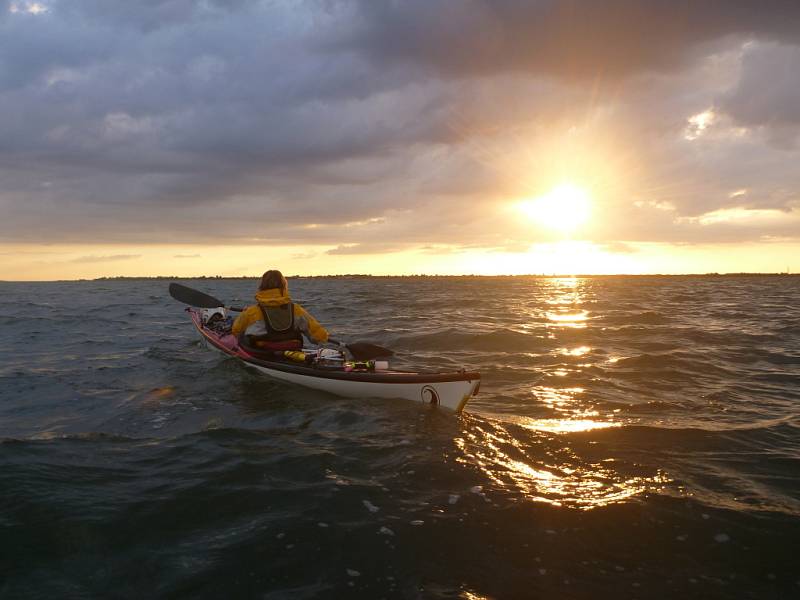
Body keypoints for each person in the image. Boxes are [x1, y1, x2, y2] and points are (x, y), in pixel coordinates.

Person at [231, 270, 329, 350]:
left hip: (262, 351)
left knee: (243, 335)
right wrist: (323, 339)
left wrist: (245, 315)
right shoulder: (296, 310)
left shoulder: (252, 312)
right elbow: (320, 336)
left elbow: (236, 330)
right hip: (291, 348)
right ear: (284, 285)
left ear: (262, 287)